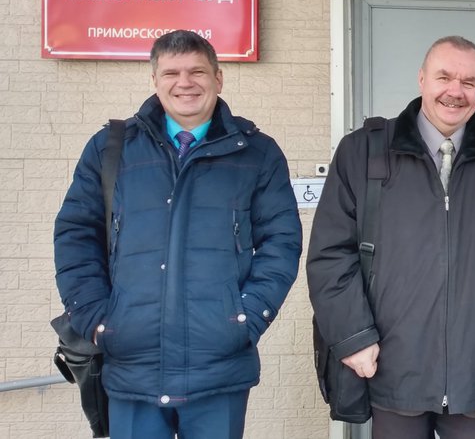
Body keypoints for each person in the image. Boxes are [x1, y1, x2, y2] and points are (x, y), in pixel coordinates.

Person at [53, 30, 303, 439]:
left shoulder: (257, 152)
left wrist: (246, 319)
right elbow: (75, 236)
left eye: (196, 71)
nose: (184, 82)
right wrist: (97, 319)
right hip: (132, 364)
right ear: (154, 80)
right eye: (171, 72)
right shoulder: (110, 148)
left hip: (218, 365)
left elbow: (282, 242)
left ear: (218, 78)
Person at [306, 35, 475, 438]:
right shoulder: (362, 152)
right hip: (393, 368)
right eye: (444, 77)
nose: (455, 91)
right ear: (421, 79)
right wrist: (353, 338)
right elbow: (330, 255)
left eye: (468, 82)